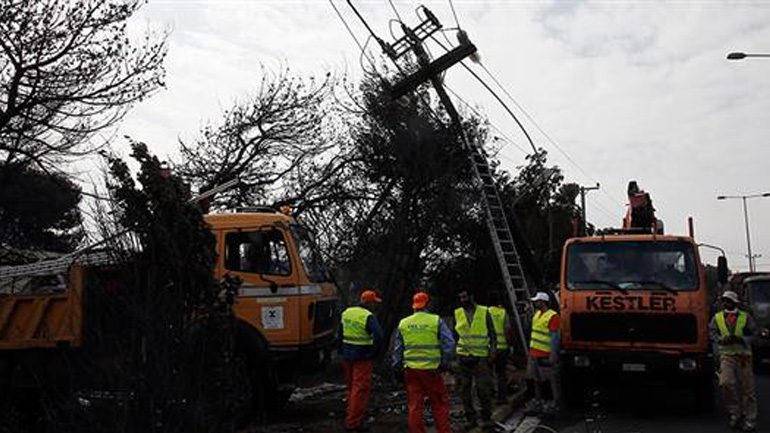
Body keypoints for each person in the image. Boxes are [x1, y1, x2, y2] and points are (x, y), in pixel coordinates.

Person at [393, 292, 455, 433]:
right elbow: (449, 344)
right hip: (431, 370)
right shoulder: (435, 320)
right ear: (427, 304)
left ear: (414, 305)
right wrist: (445, 362)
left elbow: (398, 349)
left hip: (411, 371)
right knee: (439, 403)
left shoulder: (404, 323)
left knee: (415, 405)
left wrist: (396, 366)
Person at [709, 290, 758, 432]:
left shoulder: (745, 317)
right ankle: (735, 412)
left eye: (728, 301)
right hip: (727, 355)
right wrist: (720, 340)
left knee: (747, 389)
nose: (725, 303)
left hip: (744, 356)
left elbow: (755, 334)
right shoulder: (717, 318)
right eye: (724, 300)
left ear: (734, 302)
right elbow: (712, 332)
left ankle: (750, 418)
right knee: (725, 383)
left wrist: (742, 339)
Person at [340, 289, 385, 432]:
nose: (376, 306)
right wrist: (374, 353)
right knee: (360, 389)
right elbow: (379, 336)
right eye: (375, 302)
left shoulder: (347, 312)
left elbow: (339, 333)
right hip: (362, 357)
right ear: (369, 303)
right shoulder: (368, 316)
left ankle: (350, 416)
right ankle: (353, 423)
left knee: (351, 387)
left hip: (347, 355)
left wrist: (340, 350)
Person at [453, 289, 496, 429]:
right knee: (464, 389)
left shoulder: (484, 311)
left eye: (465, 297)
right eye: (460, 297)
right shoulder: (457, 313)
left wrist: (493, 351)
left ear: (471, 296)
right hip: (463, 356)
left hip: (481, 356)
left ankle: (486, 418)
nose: (462, 300)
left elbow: (492, 333)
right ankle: (470, 419)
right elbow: (455, 334)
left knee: (483, 388)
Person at [527, 291, 561, 413]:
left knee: (546, 381)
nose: (535, 303)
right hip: (534, 353)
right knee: (534, 380)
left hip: (544, 354)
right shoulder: (537, 314)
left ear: (542, 302)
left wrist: (553, 354)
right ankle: (538, 402)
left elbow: (555, 337)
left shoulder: (552, 316)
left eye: (537, 301)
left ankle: (550, 404)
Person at [489, 294, 514, 402]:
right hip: (502, 347)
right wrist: (510, 345)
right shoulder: (503, 312)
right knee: (501, 373)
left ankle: (490, 397)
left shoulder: (485, 312)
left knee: (489, 374)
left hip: (489, 348)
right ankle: (501, 397)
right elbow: (507, 331)